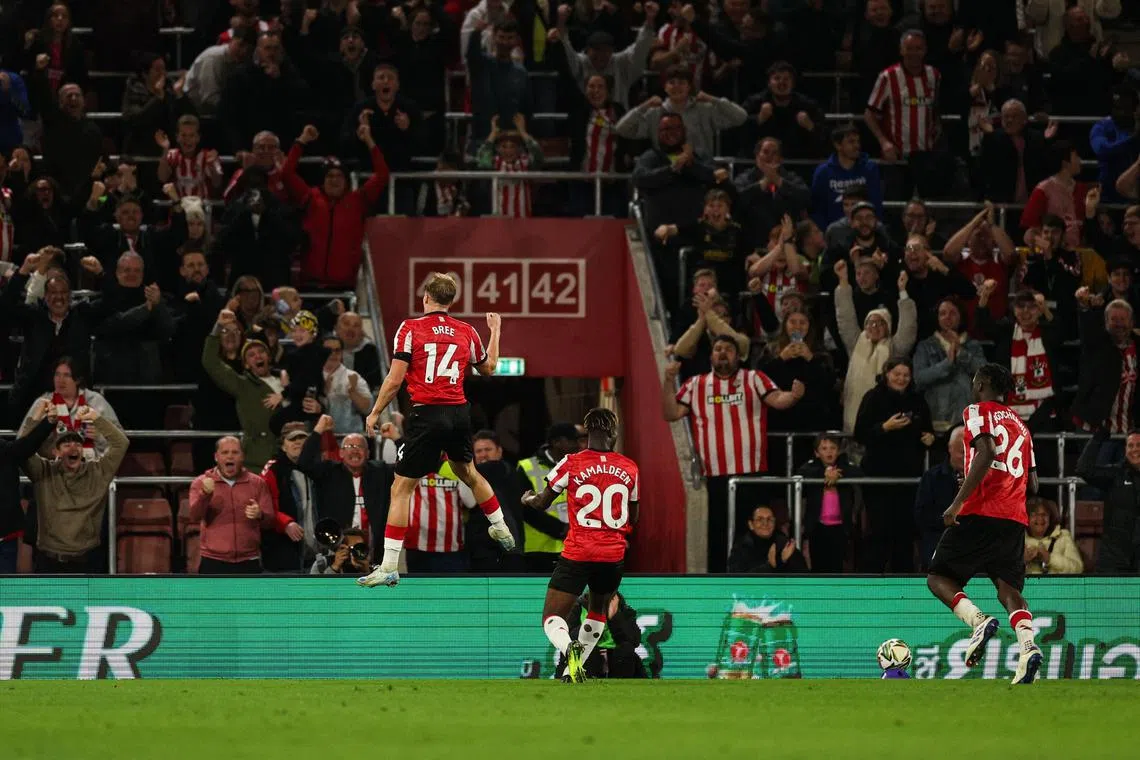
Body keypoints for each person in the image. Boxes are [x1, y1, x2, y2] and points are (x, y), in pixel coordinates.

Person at [358, 273, 515, 588]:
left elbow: (395, 378)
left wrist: (375, 411)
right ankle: (501, 526)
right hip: (459, 412)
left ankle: (389, 565)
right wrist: (496, 330)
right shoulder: (467, 331)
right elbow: (489, 367)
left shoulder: (410, 328)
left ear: (426, 297)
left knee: (401, 489)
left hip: (427, 413)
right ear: (451, 301)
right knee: (468, 472)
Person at [927, 363, 1043, 685]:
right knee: (1009, 588)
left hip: (980, 511)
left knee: (938, 578)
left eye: (974, 380)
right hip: (1013, 517)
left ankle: (978, 620)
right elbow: (1033, 484)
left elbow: (987, 450)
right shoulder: (1022, 426)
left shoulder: (977, 410)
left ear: (982, 383)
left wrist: (957, 502)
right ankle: (1028, 646)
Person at [521, 408, 638, 683]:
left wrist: (527, 500)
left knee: (551, 617)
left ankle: (568, 648)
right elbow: (634, 516)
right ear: (613, 432)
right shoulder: (630, 467)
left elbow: (542, 503)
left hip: (579, 551)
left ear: (586, 433)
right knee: (598, 611)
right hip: (612, 555)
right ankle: (571, 670)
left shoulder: (571, 462)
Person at [21, 401, 128, 573]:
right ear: (55, 452)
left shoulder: (97, 472)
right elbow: (22, 449)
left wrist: (96, 418)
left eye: (78, 444)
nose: (73, 448)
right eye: (66, 444)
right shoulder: (43, 472)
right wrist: (38, 416)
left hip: (87, 564)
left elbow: (121, 443)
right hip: (48, 563)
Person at [188, 436, 276, 574]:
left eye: (235, 452)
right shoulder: (201, 482)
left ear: (243, 456)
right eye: (225, 452)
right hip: (213, 561)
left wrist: (260, 514)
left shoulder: (257, 483)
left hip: (249, 560)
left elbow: (270, 522)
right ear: (216, 457)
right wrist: (205, 495)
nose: (230, 456)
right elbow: (194, 516)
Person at [1023, 498, 1084, 575]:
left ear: (1050, 518)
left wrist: (1049, 558)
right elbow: (1005, 573)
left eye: (1044, 514)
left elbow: (1078, 569)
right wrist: (1022, 560)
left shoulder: (1063, 536)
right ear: (1026, 518)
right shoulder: (1018, 539)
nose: (1040, 519)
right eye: (1034, 514)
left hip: (1057, 586)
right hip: (1027, 587)